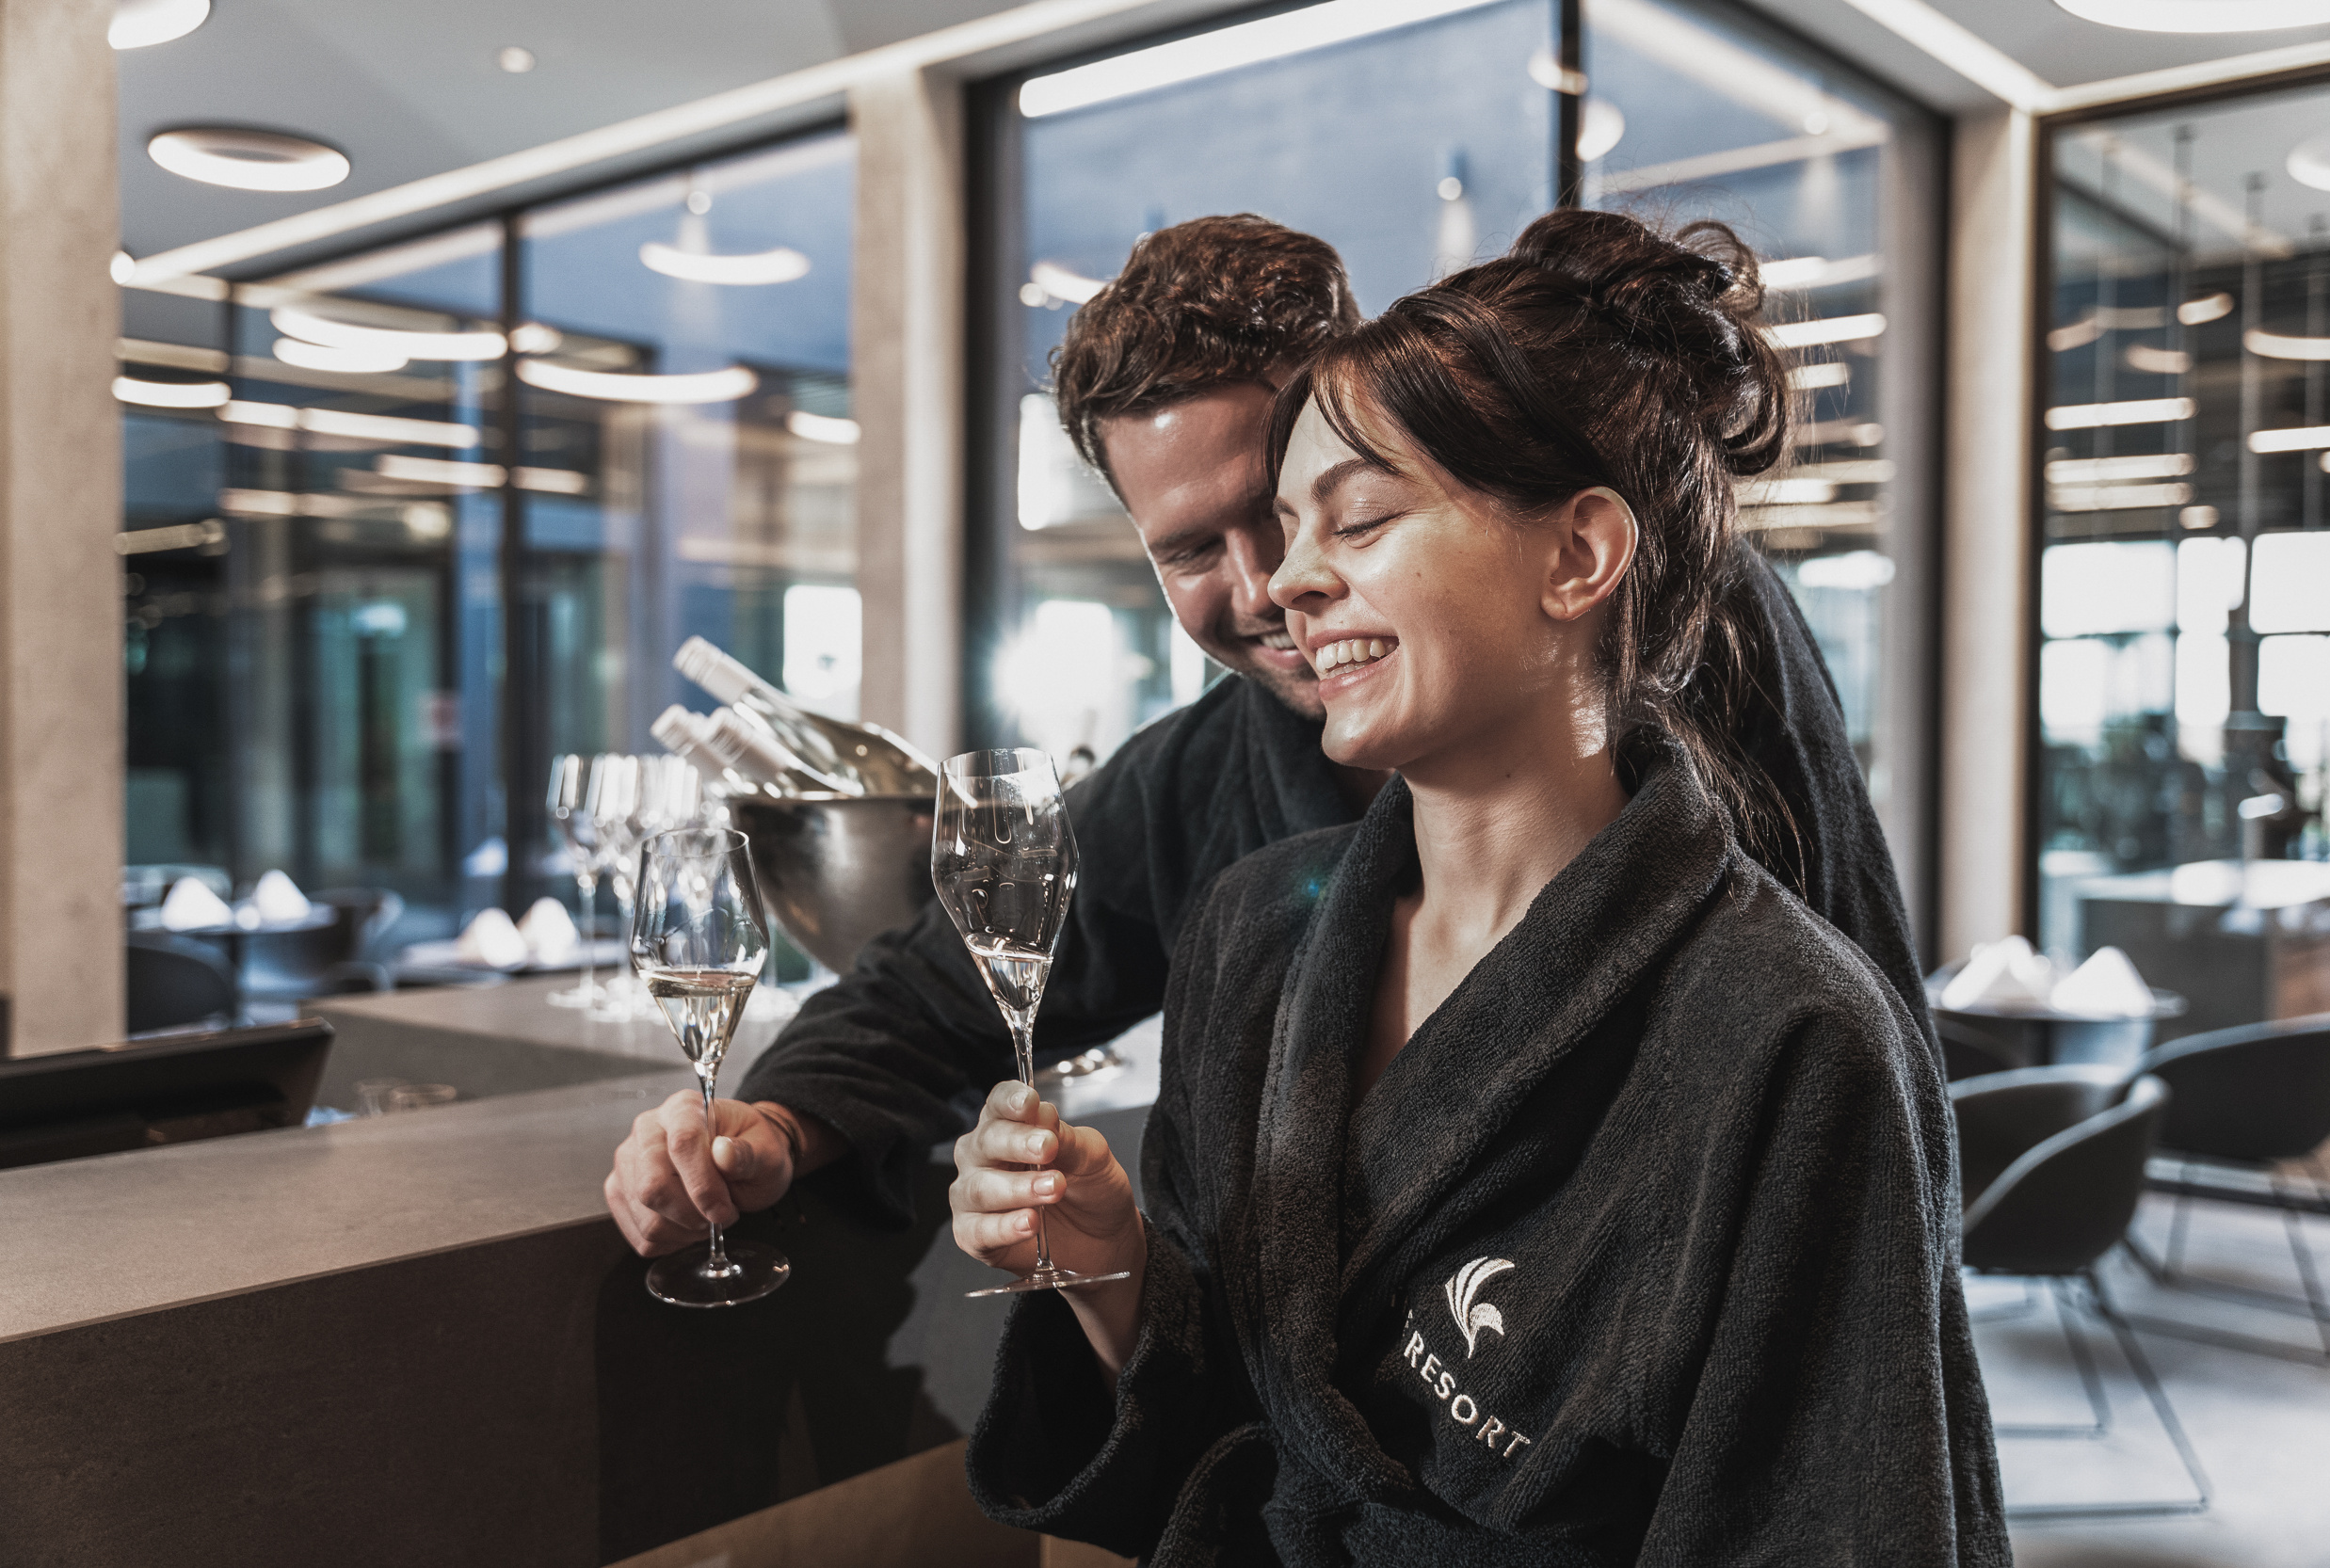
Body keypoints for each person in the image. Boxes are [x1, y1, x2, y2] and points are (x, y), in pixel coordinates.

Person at [950, 209, 2006, 1566]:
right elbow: (1223, 1422)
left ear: (1578, 555)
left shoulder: (1792, 1040)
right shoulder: (1255, 940)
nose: (1289, 580)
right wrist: (1105, 1261)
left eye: (1362, 518)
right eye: (1280, 526)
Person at [602, 214, 1926, 1256]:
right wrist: (766, 1124)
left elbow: (1865, 1061)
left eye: (1314, 508)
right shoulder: (1203, 785)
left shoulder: (1702, 635)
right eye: (1189, 548)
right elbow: (938, 987)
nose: (1268, 585)